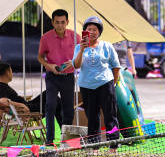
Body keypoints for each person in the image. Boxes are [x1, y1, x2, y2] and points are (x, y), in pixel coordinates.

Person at [73, 16, 120, 147]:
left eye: (95, 29)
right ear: (85, 32)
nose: (92, 32)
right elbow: (76, 65)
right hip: (87, 87)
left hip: (106, 84)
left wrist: (113, 84)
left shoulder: (107, 46)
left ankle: (114, 145)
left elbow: (116, 67)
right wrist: (82, 49)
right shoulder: (78, 47)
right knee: (92, 118)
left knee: (110, 115)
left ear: (99, 32)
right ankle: (95, 146)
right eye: (89, 29)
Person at [37, 9, 80, 145]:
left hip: (68, 76)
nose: (60, 25)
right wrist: (49, 66)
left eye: (63, 22)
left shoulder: (76, 37)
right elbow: (40, 57)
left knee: (68, 107)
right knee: (50, 105)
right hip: (52, 76)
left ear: (67, 22)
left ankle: (66, 140)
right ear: (52, 22)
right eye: (57, 22)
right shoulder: (46, 37)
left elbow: (81, 56)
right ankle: (49, 140)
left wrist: (72, 63)